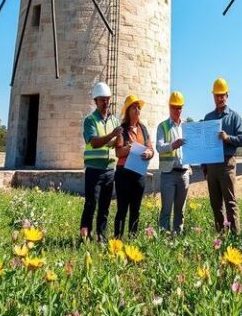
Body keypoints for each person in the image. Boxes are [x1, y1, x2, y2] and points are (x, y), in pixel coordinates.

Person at [80, 81, 123, 242]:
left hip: (110, 169)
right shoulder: (90, 120)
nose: (105, 102)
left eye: (107, 99)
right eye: (101, 99)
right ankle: (85, 235)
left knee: (105, 206)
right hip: (94, 169)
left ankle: (101, 236)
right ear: (95, 101)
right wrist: (112, 135)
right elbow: (94, 142)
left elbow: (117, 142)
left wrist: (120, 141)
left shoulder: (114, 120)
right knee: (91, 203)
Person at [203, 77, 242, 233]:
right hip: (211, 166)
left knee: (230, 202)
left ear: (227, 95)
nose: (220, 98)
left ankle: (235, 237)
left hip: (227, 164)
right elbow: (204, 144)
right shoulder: (208, 118)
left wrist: (228, 138)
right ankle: (221, 236)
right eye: (217, 95)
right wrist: (204, 165)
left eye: (222, 95)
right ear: (213, 96)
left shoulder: (235, 117)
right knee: (215, 204)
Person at [114, 94, 154, 238]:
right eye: (134, 107)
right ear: (128, 111)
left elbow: (151, 148)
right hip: (124, 174)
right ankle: (117, 239)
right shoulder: (121, 130)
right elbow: (118, 152)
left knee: (136, 209)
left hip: (139, 173)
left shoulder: (143, 129)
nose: (138, 110)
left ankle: (132, 238)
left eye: (139, 108)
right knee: (122, 209)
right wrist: (128, 149)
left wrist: (149, 154)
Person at [157, 91, 190, 234]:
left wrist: (190, 166)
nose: (177, 110)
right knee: (166, 209)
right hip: (168, 174)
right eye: (174, 107)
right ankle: (163, 237)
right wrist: (173, 145)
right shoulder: (162, 126)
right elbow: (159, 147)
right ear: (169, 107)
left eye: (179, 107)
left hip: (183, 174)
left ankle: (178, 236)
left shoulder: (187, 127)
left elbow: (192, 149)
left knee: (180, 210)